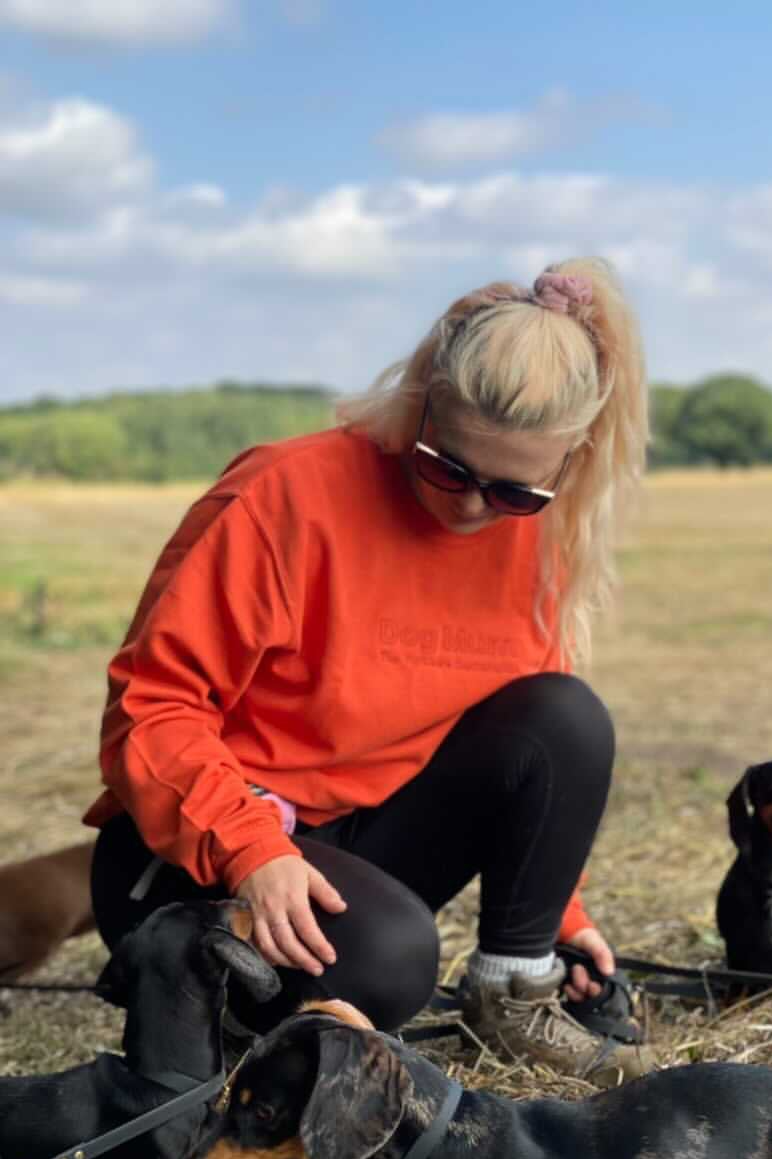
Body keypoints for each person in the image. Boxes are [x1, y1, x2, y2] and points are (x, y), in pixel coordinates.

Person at [84, 257, 652, 1086]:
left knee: (565, 715)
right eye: (446, 465)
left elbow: (520, 743)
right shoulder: (283, 493)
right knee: (391, 965)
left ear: (569, 464)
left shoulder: (539, 540)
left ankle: (510, 996)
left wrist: (552, 917)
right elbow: (150, 708)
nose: (468, 509)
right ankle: (202, 993)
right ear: (422, 398)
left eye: (512, 493)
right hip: (197, 853)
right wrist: (252, 851)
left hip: (358, 842)